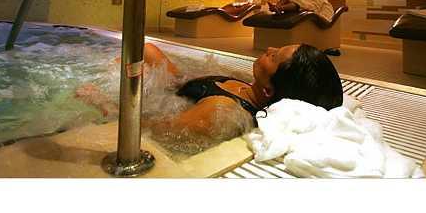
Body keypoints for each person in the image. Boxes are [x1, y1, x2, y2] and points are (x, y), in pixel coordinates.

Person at [74, 42, 343, 146]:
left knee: (135, 57)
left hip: (166, 98)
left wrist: (108, 106)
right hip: (177, 84)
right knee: (145, 49)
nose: (270, 48)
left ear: (269, 90)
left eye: (274, 57)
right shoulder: (252, 89)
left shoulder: (223, 111)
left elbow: (158, 129)